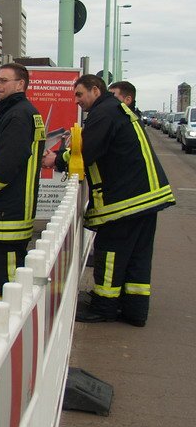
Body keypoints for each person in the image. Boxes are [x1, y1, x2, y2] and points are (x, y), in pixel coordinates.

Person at [44, 75, 174, 326]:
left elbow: (89, 150)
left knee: (111, 253)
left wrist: (57, 159)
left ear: (95, 90)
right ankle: (134, 310)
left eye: (80, 94)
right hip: (145, 197)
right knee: (138, 257)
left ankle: (104, 305)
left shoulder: (104, 114)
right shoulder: (115, 110)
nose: (77, 100)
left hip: (125, 201)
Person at [0, 62, 45, 299]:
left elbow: (6, 164)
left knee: (7, 270)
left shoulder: (18, 115)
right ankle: (6, 316)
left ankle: (8, 322)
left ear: (20, 84)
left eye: (3, 81)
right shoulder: (21, 112)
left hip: (9, 208)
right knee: (6, 266)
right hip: (13, 205)